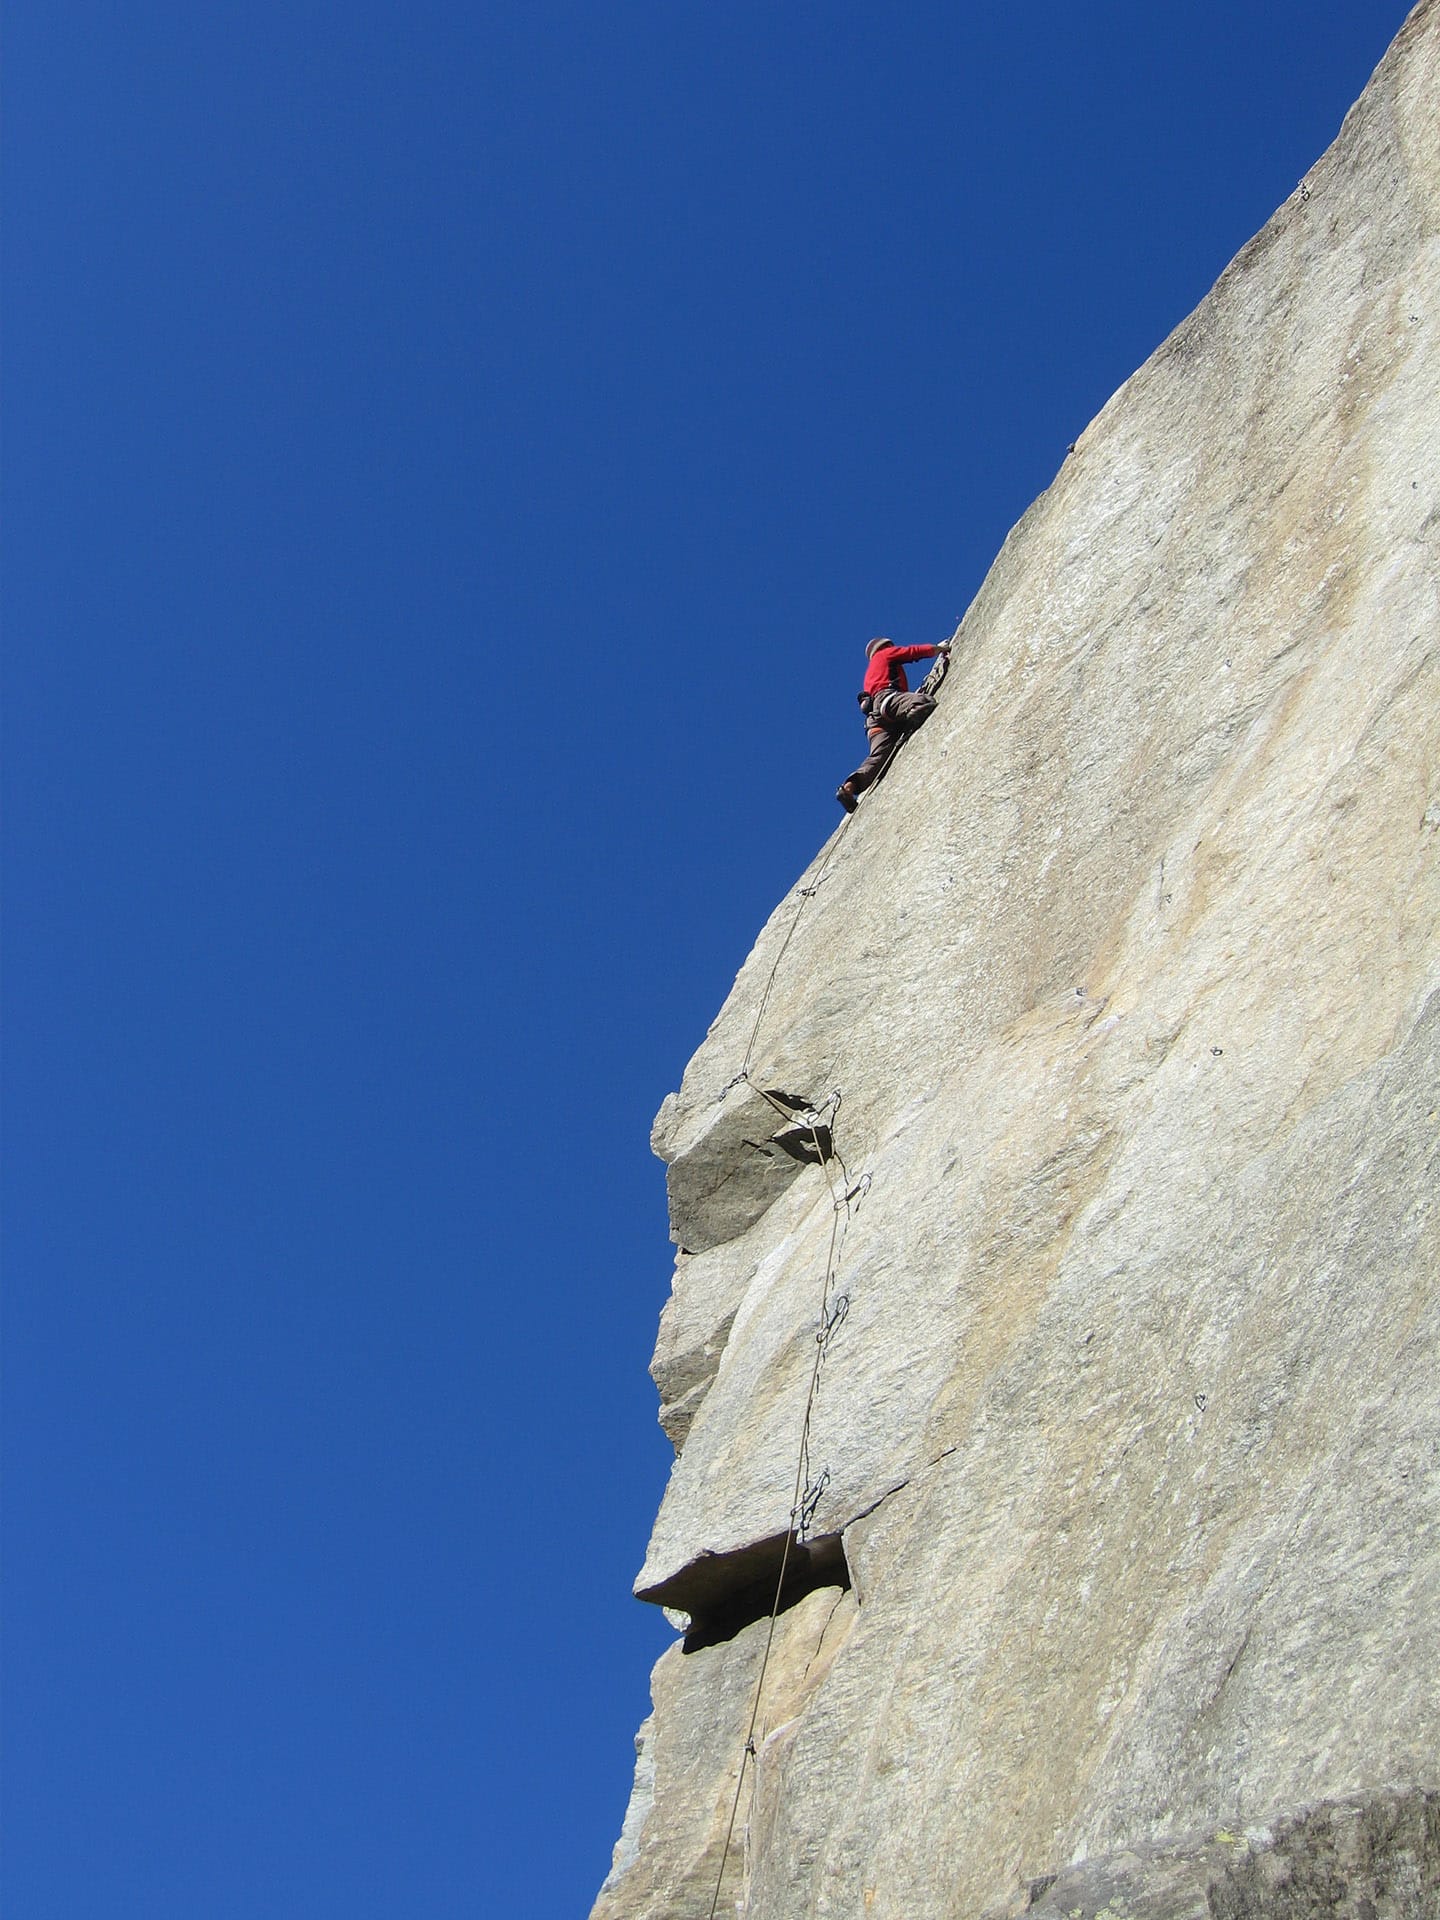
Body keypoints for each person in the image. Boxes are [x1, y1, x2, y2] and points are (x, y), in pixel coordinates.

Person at [836, 635, 950, 812]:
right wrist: (939, 649)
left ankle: (848, 789)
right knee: (923, 701)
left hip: (875, 722)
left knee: (877, 758)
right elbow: (911, 652)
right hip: (887, 701)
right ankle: (913, 713)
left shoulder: (870, 673)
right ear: (886, 646)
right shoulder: (883, 655)